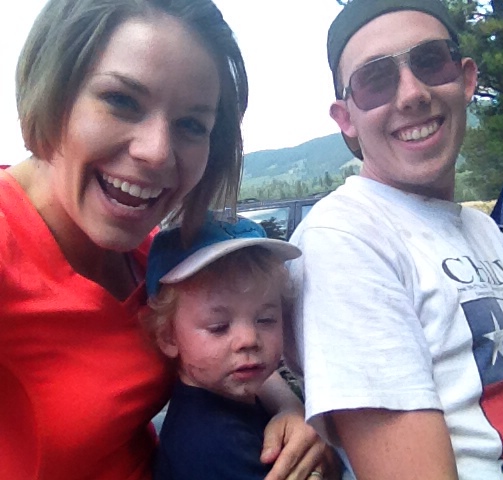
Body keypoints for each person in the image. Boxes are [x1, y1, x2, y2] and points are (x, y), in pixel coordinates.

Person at [285, 1, 503, 479]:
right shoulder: (345, 238)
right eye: (375, 80)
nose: (412, 93)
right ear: (345, 117)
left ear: (467, 78)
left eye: (430, 61)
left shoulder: (481, 231)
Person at [0, 1, 331, 479]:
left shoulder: (151, 250)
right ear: (54, 89)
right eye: (121, 100)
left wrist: (286, 408)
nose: (157, 152)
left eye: (191, 125)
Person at [144, 215, 312, 479]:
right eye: (219, 326)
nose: (249, 339)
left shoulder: (231, 400)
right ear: (168, 337)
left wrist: (290, 407)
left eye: (265, 319)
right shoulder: (211, 446)